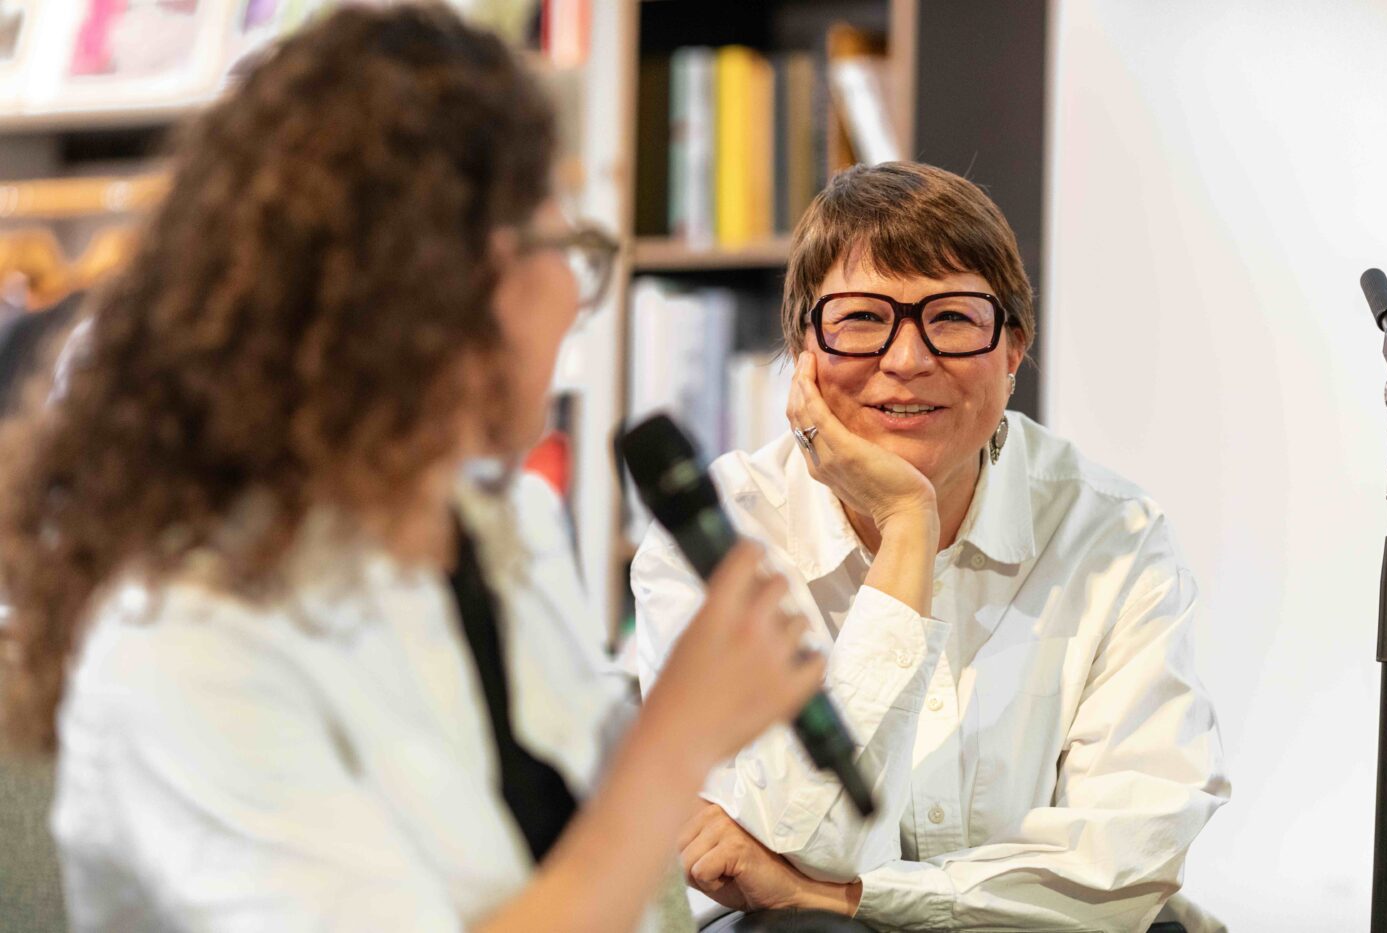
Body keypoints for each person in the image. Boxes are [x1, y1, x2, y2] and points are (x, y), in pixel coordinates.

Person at [0, 5, 825, 932]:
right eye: (567, 252)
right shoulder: (187, 642)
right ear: (441, 287)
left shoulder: (502, 534)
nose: (571, 301)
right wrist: (675, 743)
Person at [632, 161, 1230, 932]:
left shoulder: (1113, 534)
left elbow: (1127, 857)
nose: (908, 359)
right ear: (800, 350)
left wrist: (850, 895)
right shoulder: (717, 535)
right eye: (860, 317)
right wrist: (908, 532)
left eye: (951, 317)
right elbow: (790, 846)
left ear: (1014, 349)